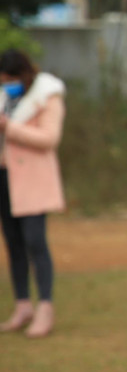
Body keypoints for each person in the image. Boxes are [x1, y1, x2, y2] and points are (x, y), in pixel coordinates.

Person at [0, 50, 66, 338]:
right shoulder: (5, 97)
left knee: (35, 242)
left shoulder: (47, 95)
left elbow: (49, 139)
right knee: (13, 244)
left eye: (9, 79)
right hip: (5, 179)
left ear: (21, 75)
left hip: (33, 181)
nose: (6, 84)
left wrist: (9, 127)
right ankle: (23, 305)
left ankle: (45, 307)